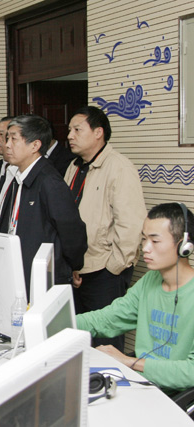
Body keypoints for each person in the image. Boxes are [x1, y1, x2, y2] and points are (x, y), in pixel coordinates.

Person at [77, 203, 194, 394]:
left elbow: (191, 372)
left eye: (155, 241)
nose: (145, 248)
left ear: (184, 246)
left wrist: (129, 362)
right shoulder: (150, 281)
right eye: (144, 239)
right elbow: (108, 318)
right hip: (139, 383)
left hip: (172, 397)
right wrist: (60, 323)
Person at [65, 106, 146, 351]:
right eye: (69, 130)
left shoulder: (119, 167)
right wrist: (73, 263)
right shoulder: (75, 167)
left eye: (77, 130)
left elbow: (131, 224)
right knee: (78, 339)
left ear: (98, 132)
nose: (70, 136)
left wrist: (114, 268)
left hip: (105, 271)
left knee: (105, 343)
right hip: (80, 269)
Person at [0, 115, 87, 299]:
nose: (7, 145)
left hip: (43, 277)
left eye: (14, 139)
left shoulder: (49, 181)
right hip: (17, 272)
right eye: (7, 139)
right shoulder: (17, 177)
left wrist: (72, 266)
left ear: (35, 145)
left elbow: (72, 232)